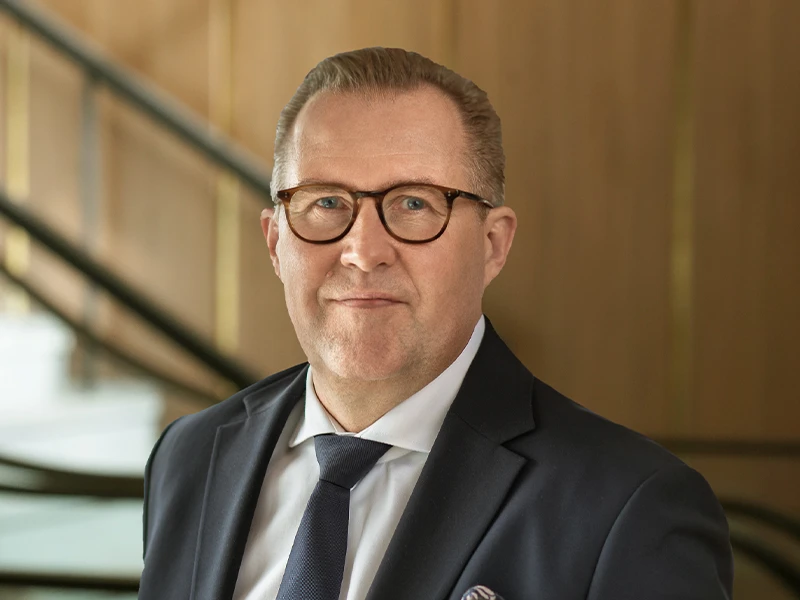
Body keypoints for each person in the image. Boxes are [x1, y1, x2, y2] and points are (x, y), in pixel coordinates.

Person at [139, 47, 733, 600]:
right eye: (325, 203)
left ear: (493, 244)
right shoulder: (189, 458)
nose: (363, 250)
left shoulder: (628, 508)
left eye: (414, 203)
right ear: (275, 241)